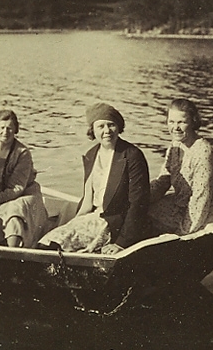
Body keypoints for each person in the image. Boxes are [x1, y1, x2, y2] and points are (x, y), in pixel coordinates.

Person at [39, 103, 150, 254]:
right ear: (93, 130)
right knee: (50, 240)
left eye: (111, 125)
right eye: (101, 126)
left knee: (54, 244)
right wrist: (73, 223)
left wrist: (122, 243)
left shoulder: (132, 155)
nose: (107, 131)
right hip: (94, 217)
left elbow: (138, 203)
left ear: (119, 127)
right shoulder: (91, 155)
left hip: (115, 223)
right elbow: (87, 201)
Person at [148, 98, 213, 235]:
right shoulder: (175, 145)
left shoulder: (203, 152)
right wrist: (139, 198)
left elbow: (201, 200)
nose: (175, 128)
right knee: (138, 212)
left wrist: (183, 233)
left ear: (193, 122)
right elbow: (163, 181)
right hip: (179, 206)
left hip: (203, 216)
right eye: (171, 122)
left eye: (181, 122)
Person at [0, 110, 49, 248]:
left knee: (14, 211)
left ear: (15, 130)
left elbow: (17, 188)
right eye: (2, 127)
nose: (5, 132)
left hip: (24, 194)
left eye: (9, 128)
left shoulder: (23, 153)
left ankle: (13, 251)